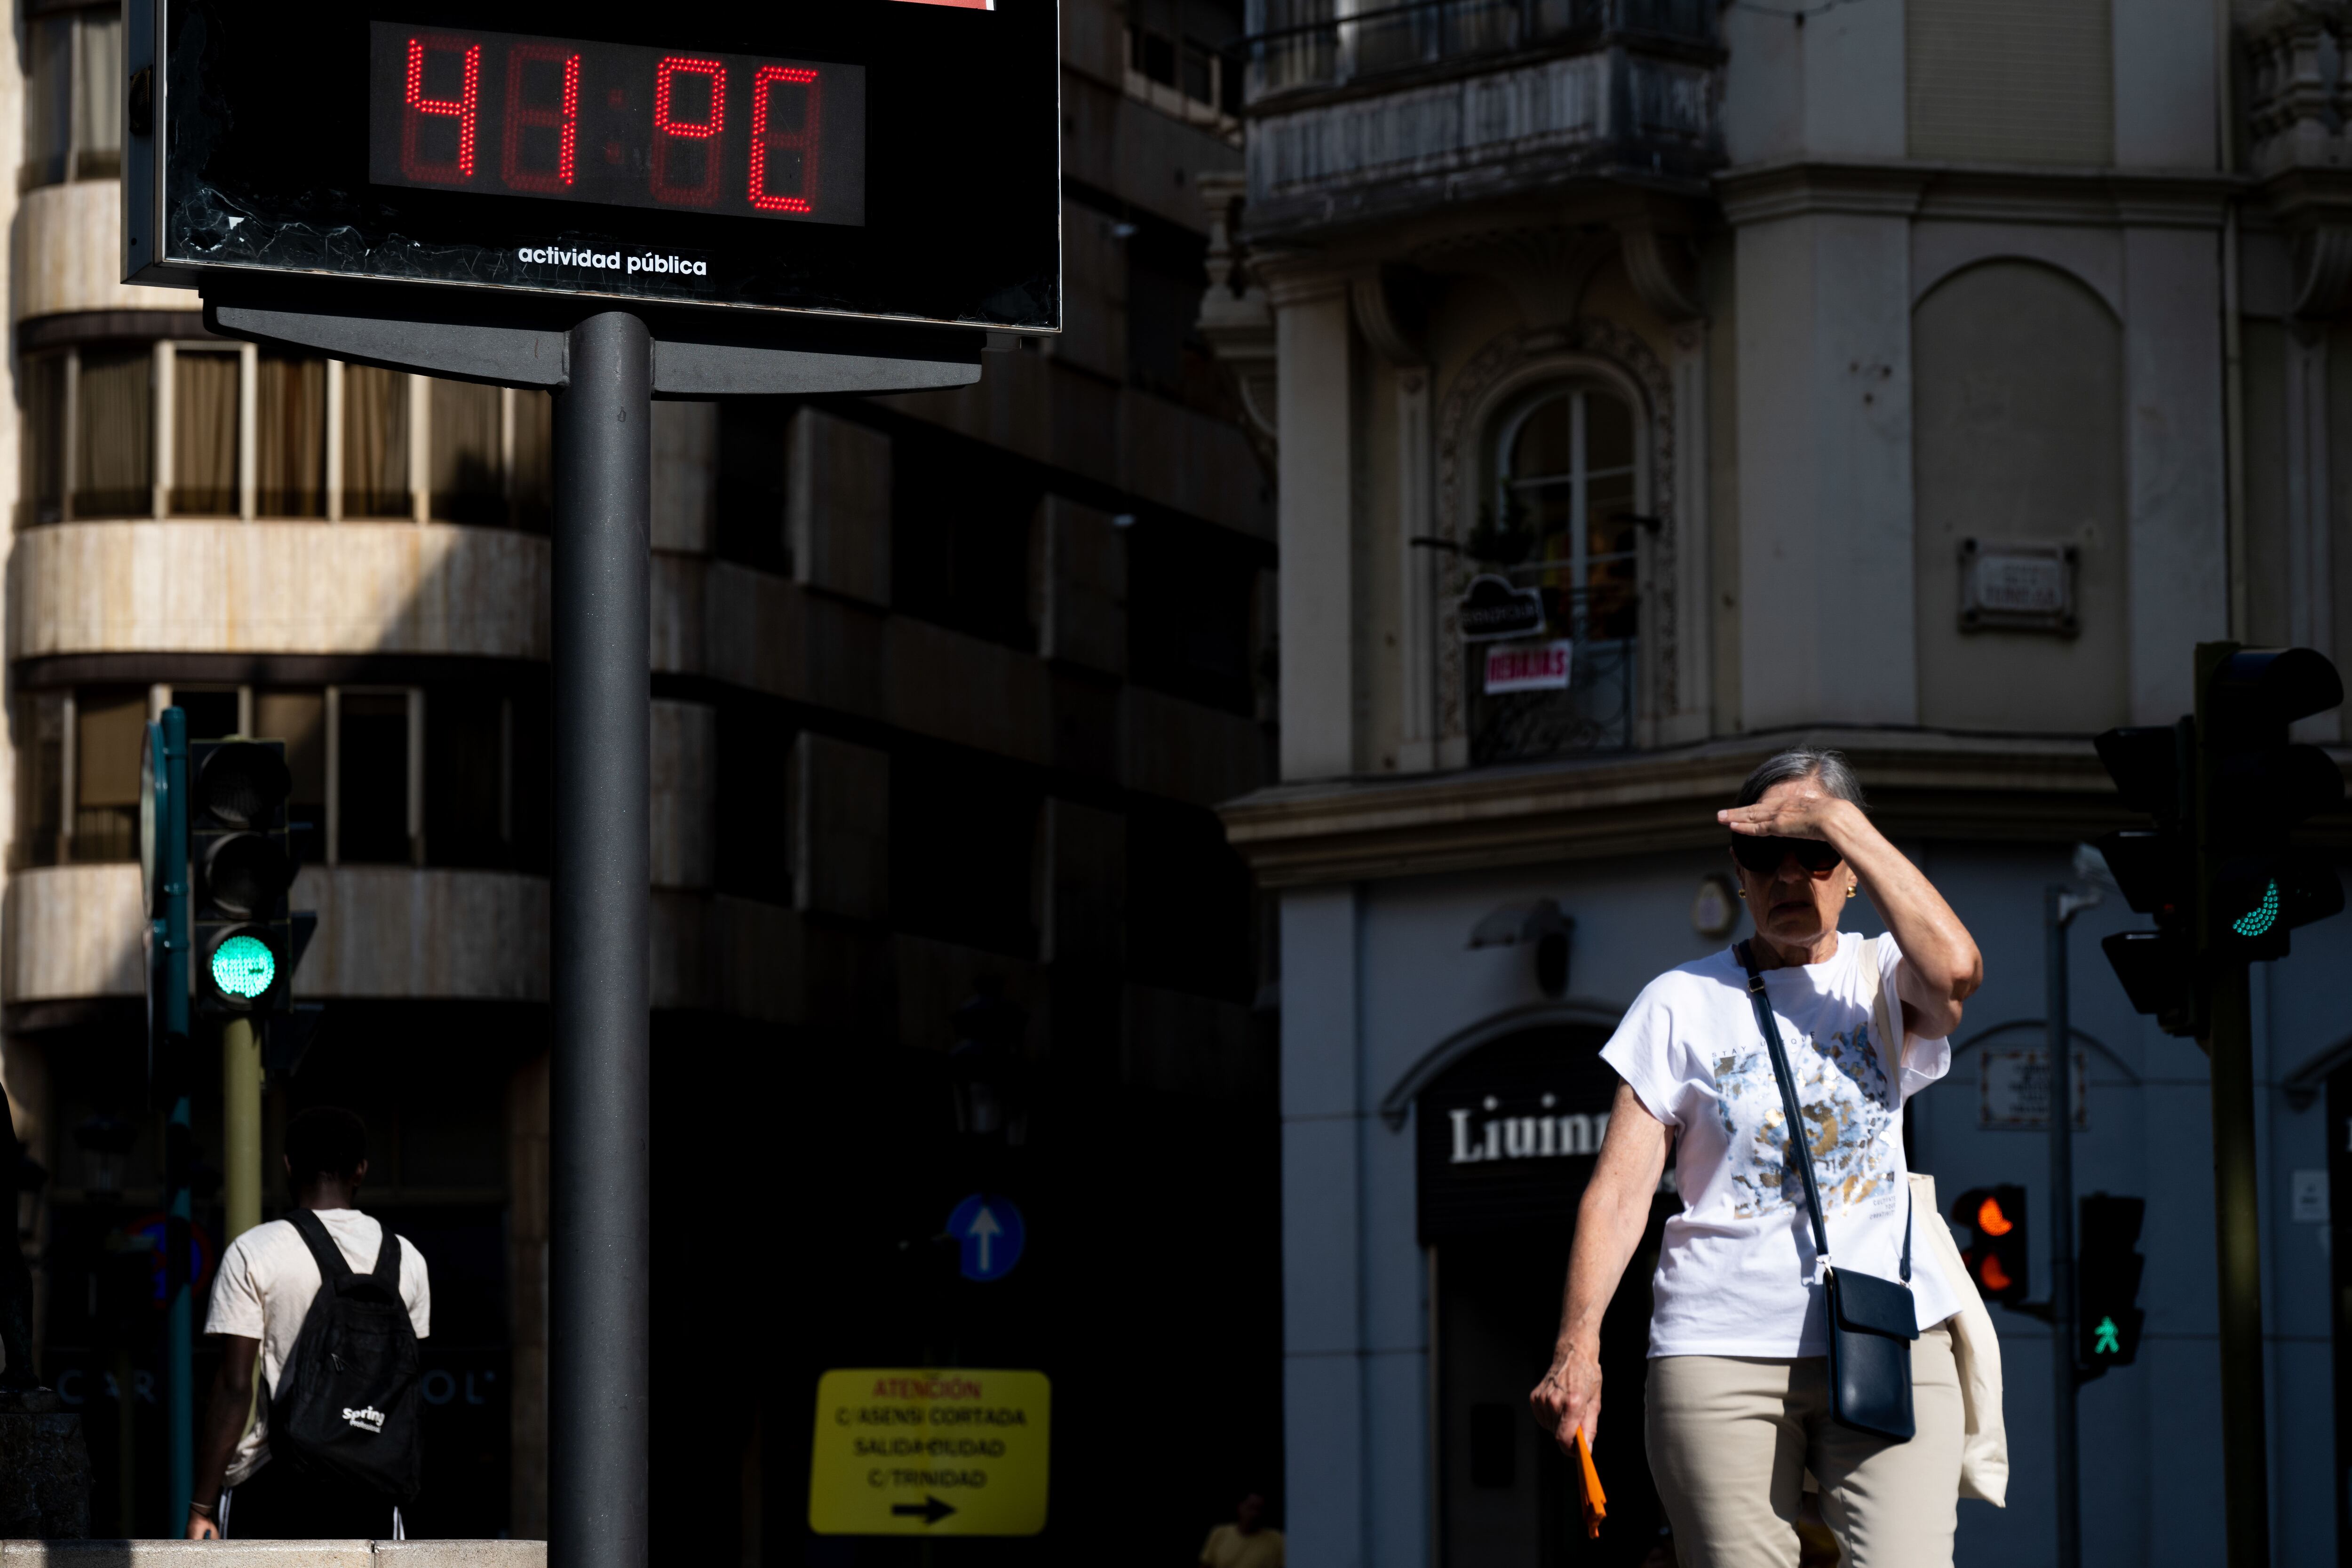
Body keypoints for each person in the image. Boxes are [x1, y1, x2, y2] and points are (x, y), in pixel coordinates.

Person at [1529, 748, 1984, 1568]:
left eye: (1815, 854)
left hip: (1885, 1335)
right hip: (1715, 1347)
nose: (1790, 875)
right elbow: (1620, 1191)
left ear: (1851, 868)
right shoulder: (1680, 1000)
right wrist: (1579, 1344)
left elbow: (1956, 970)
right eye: (1765, 854)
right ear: (1737, 869)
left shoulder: (1884, 975)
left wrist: (1839, 818)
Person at [187, 1106, 431, 1540]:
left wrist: (201, 1505)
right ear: (361, 1170)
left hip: (274, 1480)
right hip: (372, 1487)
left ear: (288, 1166)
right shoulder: (407, 1259)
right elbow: (405, 1385)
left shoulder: (254, 1251)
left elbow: (234, 1385)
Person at [1199, 1491, 1283, 1568]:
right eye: (1251, 1508)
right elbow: (1206, 1564)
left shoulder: (1277, 1540)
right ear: (1240, 1507)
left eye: (1259, 1509)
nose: (1254, 1514)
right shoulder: (1220, 1533)